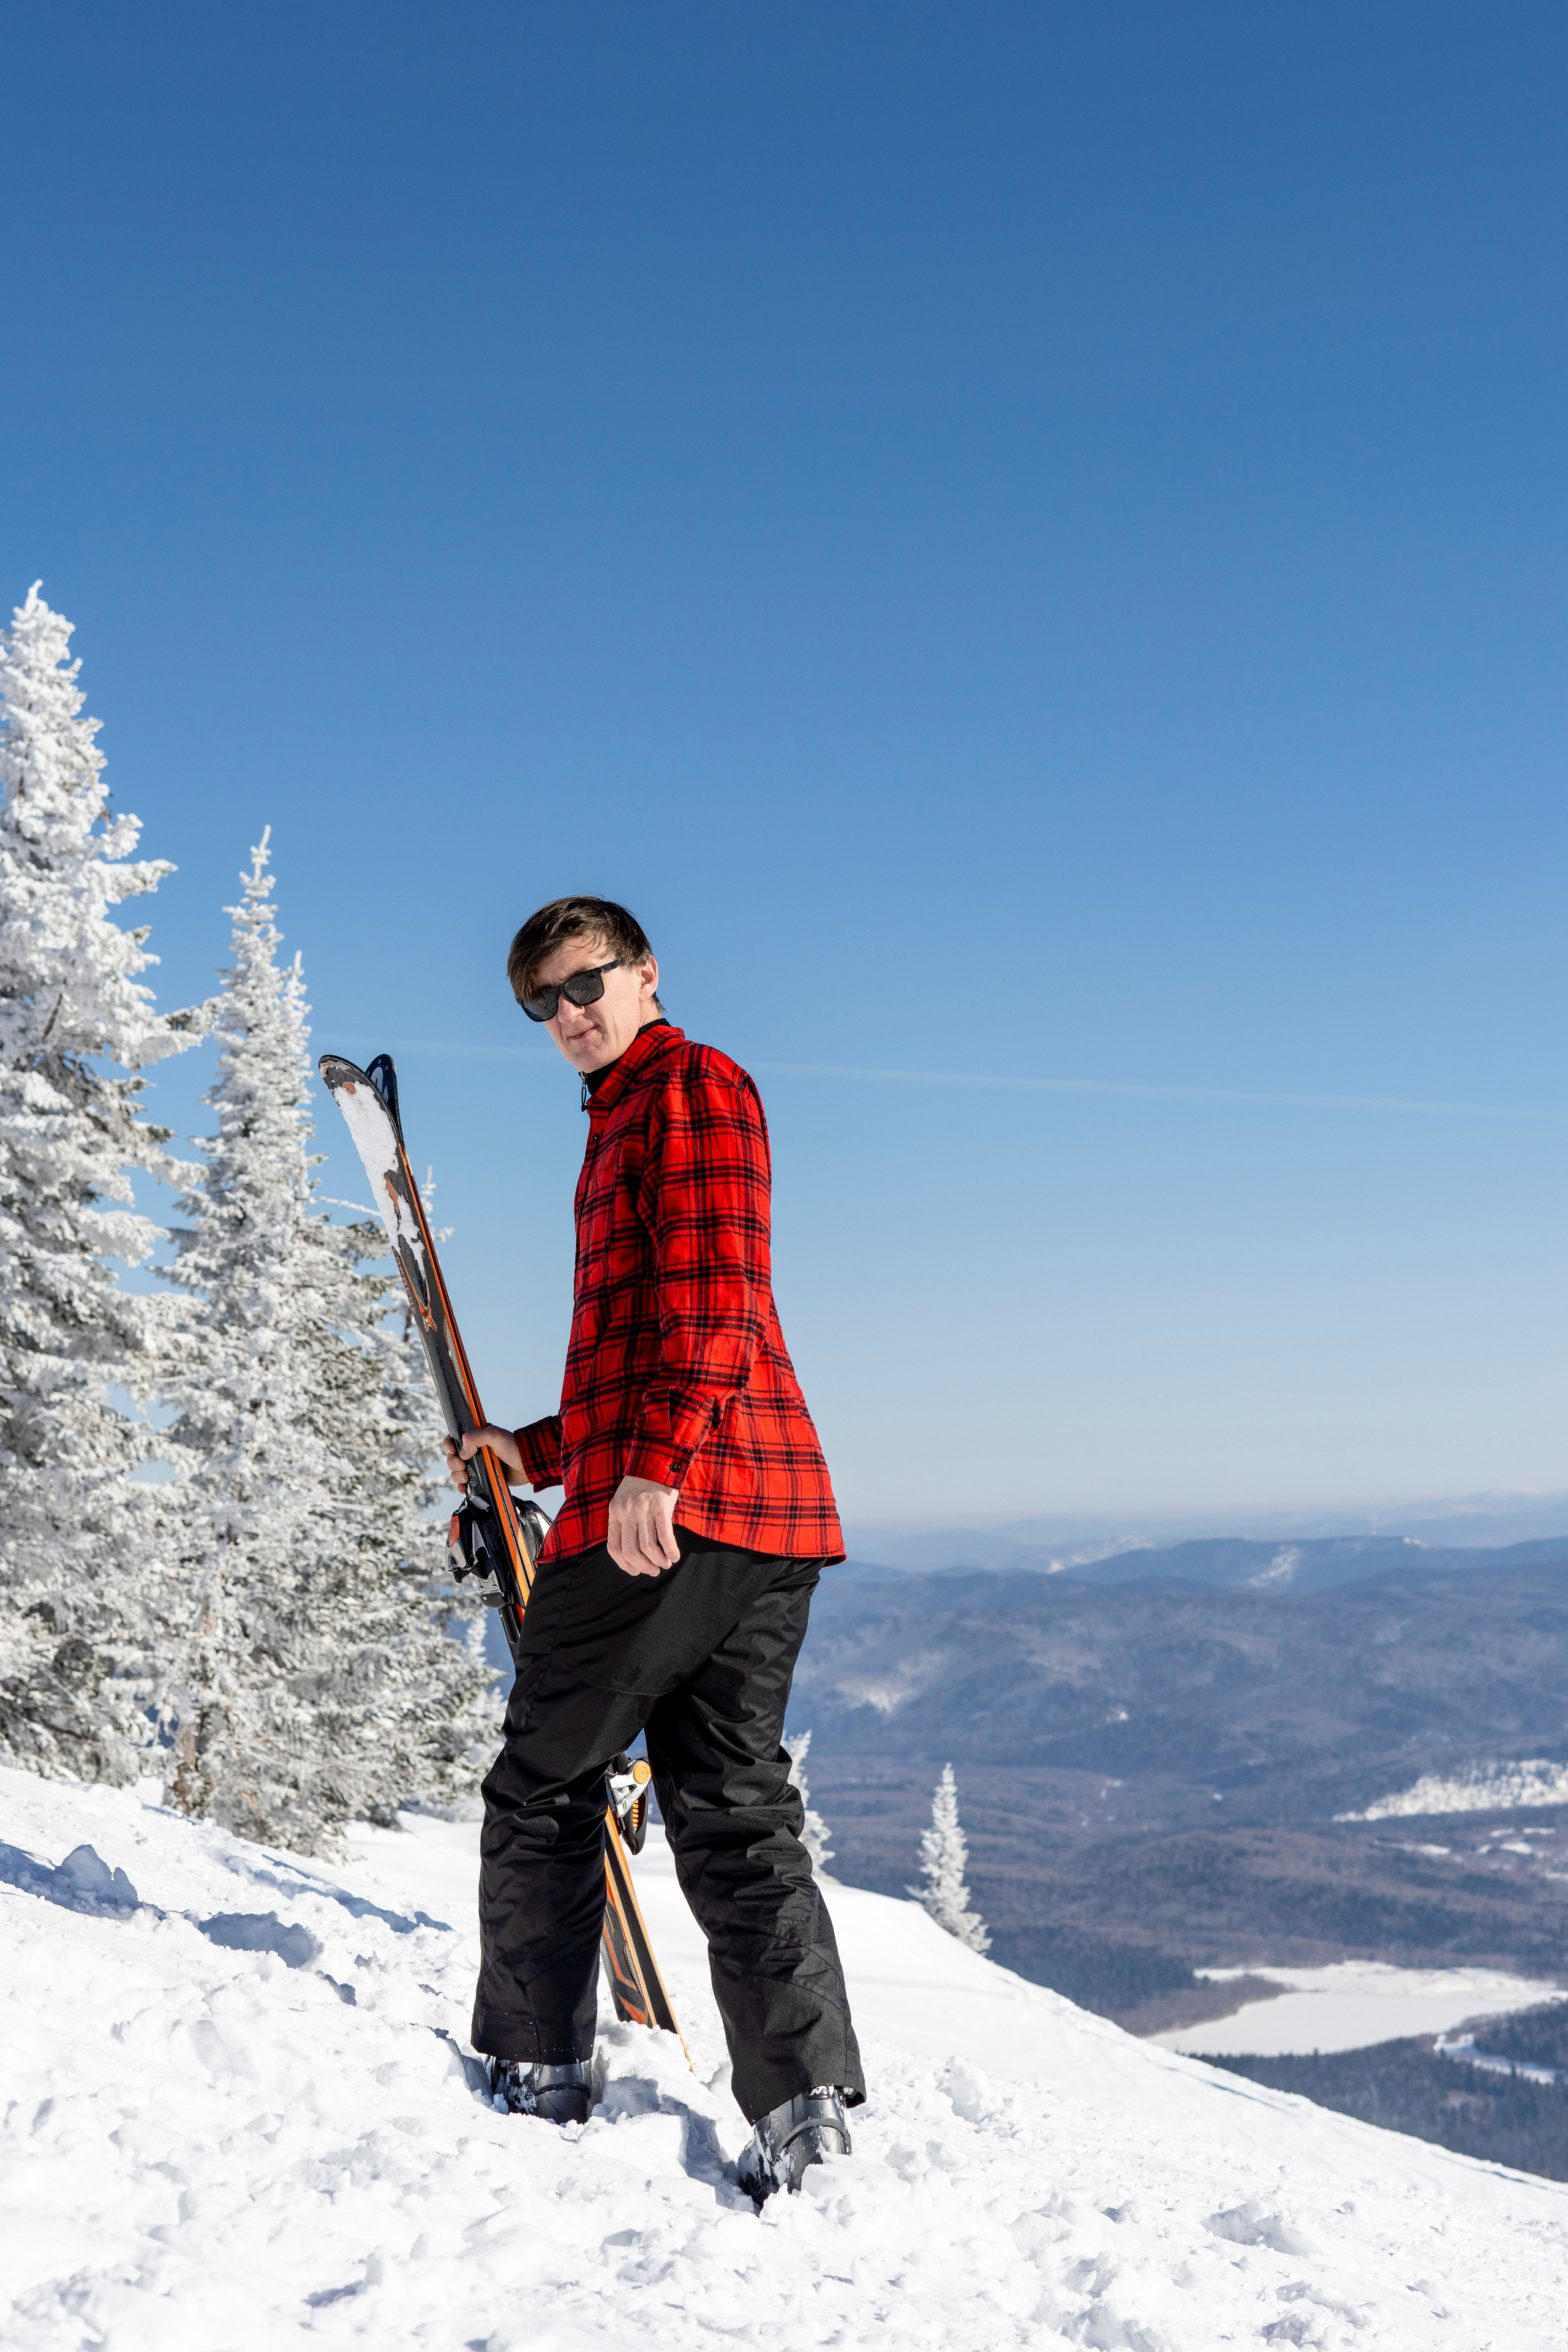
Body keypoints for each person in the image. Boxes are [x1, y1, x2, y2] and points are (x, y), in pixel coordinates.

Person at [445, 895, 863, 2199]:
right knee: (731, 1806)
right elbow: (647, 1345)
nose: (568, 1015)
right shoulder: (627, 1110)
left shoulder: (688, 1086)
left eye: (585, 985)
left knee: (543, 1785)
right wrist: (544, 1449)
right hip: (756, 1514)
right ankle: (802, 2112)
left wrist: (653, 1472)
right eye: (543, 1004)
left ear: (644, 974)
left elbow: (718, 1297)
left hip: (674, 1516)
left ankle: (539, 2068)